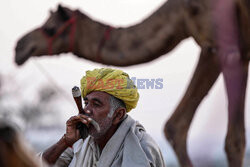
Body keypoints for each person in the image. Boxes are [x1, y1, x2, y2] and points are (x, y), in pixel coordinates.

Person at [41, 68, 165, 167]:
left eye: (96, 104)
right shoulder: (81, 142)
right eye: (86, 103)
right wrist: (65, 142)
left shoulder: (143, 148)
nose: (86, 110)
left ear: (118, 115)